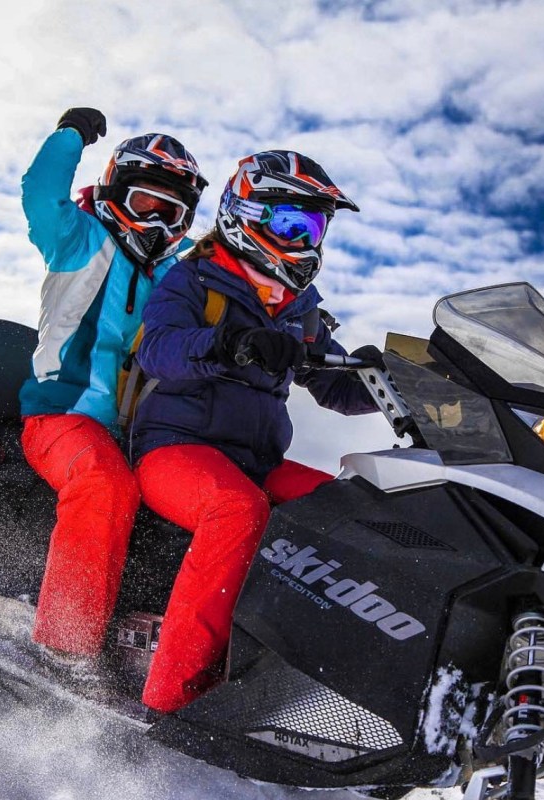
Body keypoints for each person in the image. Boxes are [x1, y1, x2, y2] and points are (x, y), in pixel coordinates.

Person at [129, 150, 381, 713]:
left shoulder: (299, 307)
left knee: (354, 511)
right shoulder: (192, 279)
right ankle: (172, 697)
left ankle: (313, 691)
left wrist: (394, 380)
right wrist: (228, 343)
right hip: (176, 449)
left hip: (258, 459)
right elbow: (159, 349)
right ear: (246, 215)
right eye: (292, 224)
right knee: (237, 511)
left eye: (314, 228)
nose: (305, 241)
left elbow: (336, 388)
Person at [18, 107, 207, 670]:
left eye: (170, 213)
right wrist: (68, 136)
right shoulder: (78, 239)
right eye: (144, 203)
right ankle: (65, 649)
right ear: (114, 192)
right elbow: (38, 194)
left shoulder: (170, 276)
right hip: (58, 418)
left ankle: (159, 648)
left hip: (128, 434)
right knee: (105, 486)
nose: (154, 223)